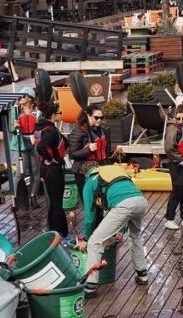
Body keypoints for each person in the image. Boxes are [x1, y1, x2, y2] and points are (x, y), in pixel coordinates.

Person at [75, 164, 150, 296]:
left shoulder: (90, 181)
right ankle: (142, 275)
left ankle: (90, 286)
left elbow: (89, 217)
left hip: (123, 205)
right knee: (135, 236)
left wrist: (86, 238)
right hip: (140, 201)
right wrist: (120, 231)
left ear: (86, 174)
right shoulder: (115, 171)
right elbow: (124, 198)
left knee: (95, 242)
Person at [35, 104, 69, 238]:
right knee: (56, 202)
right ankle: (59, 232)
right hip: (53, 169)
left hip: (45, 168)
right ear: (53, 115)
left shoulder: (41, 127)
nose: (61, 115)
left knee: (54, 201)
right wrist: (51, 159)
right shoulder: (51, 131)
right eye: (59, 113)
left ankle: (54, 229)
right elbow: (41, 147)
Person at [162, 103, 183, 231]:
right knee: (177, 190)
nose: (180, 121)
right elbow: (169, 149)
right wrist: (182, 160)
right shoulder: (172, 129)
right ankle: (169, 218)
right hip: (176, 163)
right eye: (178, 118)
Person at [68, 107, 113, 177]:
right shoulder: (79, 131)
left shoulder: (103, 131)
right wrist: (88, 150)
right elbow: (72, 154)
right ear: (88, 116)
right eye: (96, 117)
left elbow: (106, 151)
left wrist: (116, 151)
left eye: (101, 118)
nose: (99, 120)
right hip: (83, 172)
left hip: (101, 168)